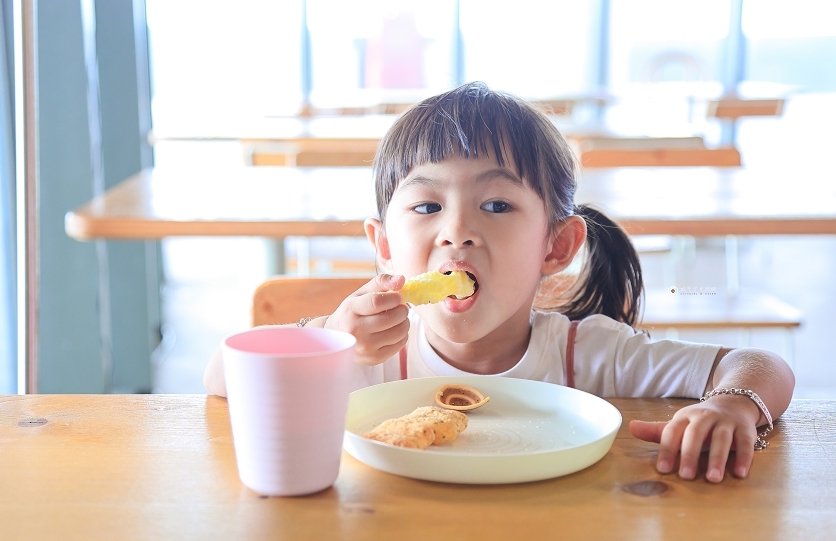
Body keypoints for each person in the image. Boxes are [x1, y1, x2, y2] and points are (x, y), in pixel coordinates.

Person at [204, 82, 794, 484]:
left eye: (495, 204)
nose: (457, 232)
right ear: (384, 245)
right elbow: (217, 377)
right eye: (427, 207)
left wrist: (735, 405)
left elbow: (761, 364)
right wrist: (329, 341)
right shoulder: (365, 357)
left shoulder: (586, 352)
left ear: (555, 247)